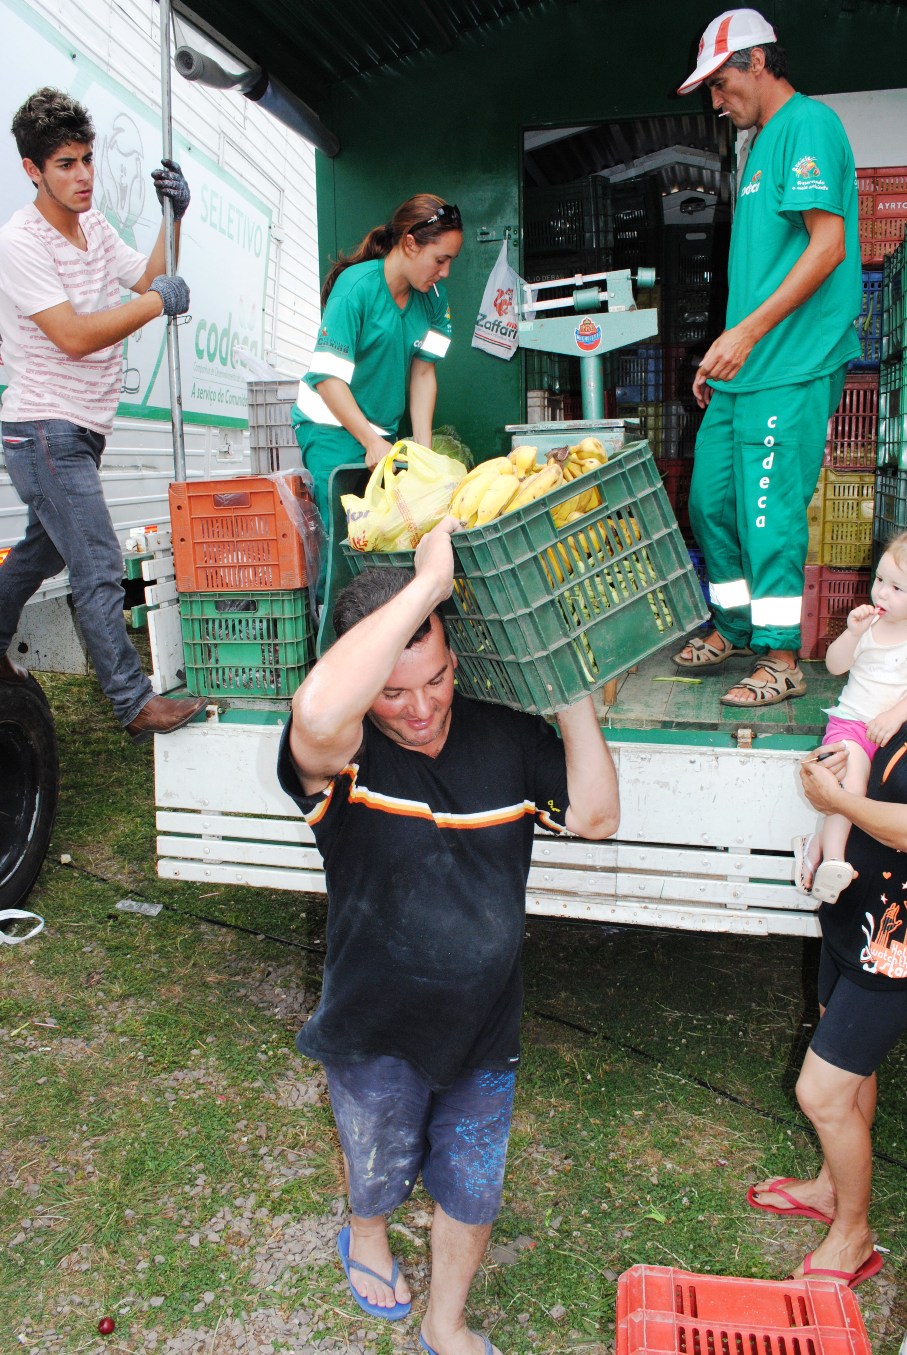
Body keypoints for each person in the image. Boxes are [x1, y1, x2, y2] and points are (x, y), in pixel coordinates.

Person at [276, 516, 619, 1355]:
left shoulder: (504, 736)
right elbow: (319, 706)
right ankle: (366, 1230)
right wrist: (428, 584)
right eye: (392, 691)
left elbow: (597, 817)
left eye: (435, 678)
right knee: (378, 1159)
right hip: (373, 1025)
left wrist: (570, 690)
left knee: (471, 1185)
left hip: (484, 1026)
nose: (421, 706)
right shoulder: (343, 758)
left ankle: (447, 1322)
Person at [0, 87, 204, 742]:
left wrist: (173, 218)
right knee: (96, 561)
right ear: (33, 169)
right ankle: (131, 699)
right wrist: (157, 304)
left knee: (41, 553)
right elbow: (76, 336)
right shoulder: (20, 243)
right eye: (65, 163)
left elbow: (148, 278)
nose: (84, 175)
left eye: (87, 159)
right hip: (44, 427)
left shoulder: (92, 226)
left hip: (80, 428)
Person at [673, 9, 862, 707]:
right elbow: (762, 269)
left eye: (720, 85)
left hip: (789, 362)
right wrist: (721, 352)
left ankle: (781, 658)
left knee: (766, 513)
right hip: (746, 367)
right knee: (709, 502)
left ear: (756, 61)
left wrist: (745, 335)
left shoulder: (807, 125)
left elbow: (826, 248)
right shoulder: (758, 145)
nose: (716, 103)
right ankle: (734, 627)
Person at [746, 737, 907, 1290]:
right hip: (856, 918)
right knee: (851, 1068)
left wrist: (836, 800)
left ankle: (853, 1235)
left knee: (822, 1092)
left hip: (896, 946)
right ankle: (830, 1186)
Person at [292, 194, 463, 535]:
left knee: (389, 536)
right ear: (411, 244)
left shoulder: (433, 299)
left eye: (450, 262)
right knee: (343, 542)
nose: (444, 273)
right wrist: (369, 441)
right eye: (440, 260)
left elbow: (424, 373)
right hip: (330, 429)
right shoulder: (355, 288)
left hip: (383, 434)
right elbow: (327, 379)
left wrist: (423, 455)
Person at [794, 534, 907, 904]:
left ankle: (815, 846)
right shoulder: (869, 626)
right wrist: (852, 633)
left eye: (896, 587)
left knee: (877, 798)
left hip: (893, 729)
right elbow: (835, 665)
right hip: (854, 725)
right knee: (853, 788)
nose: (882, 594)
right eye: (879, 580)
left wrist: (894, 715)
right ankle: (835, 861)